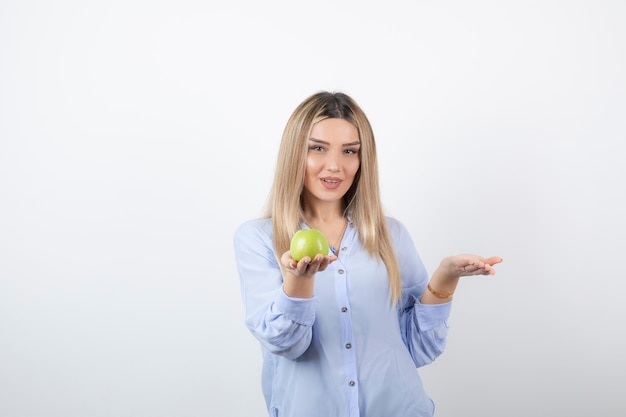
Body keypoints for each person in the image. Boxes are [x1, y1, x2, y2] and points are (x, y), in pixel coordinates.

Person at [233, 91, 502, 417]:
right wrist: (299, 280)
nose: (335, 165)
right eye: (317, 148)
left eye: (350, 151)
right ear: (295, 153)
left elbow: (418, 347)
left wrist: (446, 276)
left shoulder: (391, 235)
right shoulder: (258, 239)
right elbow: (287, 344)